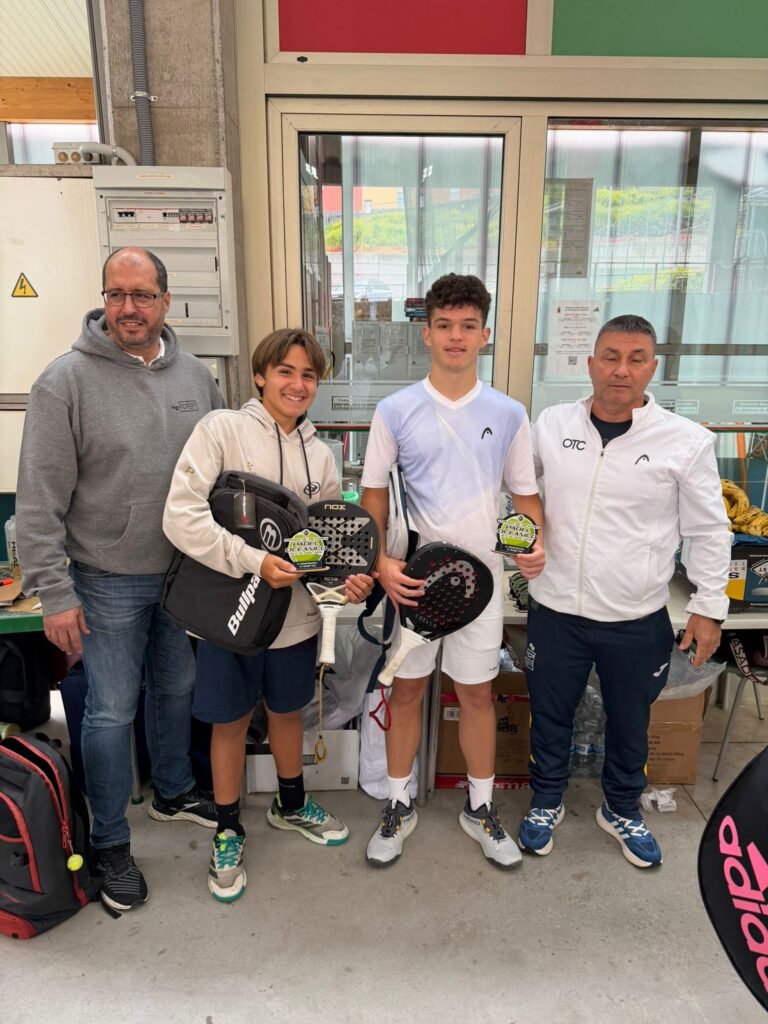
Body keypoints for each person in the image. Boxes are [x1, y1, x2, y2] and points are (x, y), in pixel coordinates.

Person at [15, 247, 225, 912]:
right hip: (106, 579)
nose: (127, 308)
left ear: (166, 299)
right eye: (115, 294)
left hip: (184, 576)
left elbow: (223, 474)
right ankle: (109, 841)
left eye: (141, 295)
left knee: (177, 687)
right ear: (103, 298)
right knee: (109, 711)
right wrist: (55, 593)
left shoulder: (196, 377)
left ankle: (173, 789)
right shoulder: (64, 383)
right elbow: (37, 501)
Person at [163, 328, 374, 903]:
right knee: (230, 721)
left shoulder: (321, 454)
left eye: (308, 375)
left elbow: (328, 543)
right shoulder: (222, 430)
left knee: (286, 713)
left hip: (296, 620)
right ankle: (228, 827)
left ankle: (291, 803)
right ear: (260, 376)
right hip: (230, 615)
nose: (297, 384)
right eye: (285, 371)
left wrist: (347, 582)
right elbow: (180, 517)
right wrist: (253, 561)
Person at [519, 314, 731, 868]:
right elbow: (521, 493)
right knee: (550, 715)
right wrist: (521, 539)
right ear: (591, 364)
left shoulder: (684, 441)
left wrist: (709, 607)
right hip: (556, 609)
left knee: (631, 721)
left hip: (636, 617)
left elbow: (709, 530)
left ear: (652, 368)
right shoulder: (552, 424)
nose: (621, 370)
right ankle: (546, 800)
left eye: (636, 359)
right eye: (611, 357)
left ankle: (620, 808)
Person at [360, 273, 545, 870]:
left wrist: (532, 544)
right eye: (444, 325)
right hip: (415, 581)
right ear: (427, 333)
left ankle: (480, 808)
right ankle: (397, 803)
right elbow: (372, 497)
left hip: (482, 584)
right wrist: (381, 563)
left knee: (477, 695)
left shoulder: (509, 413)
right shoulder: (395, 410)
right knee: (407, 690)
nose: (456, 336)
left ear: (485, 334)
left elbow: (526, 499)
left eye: (468, 326)